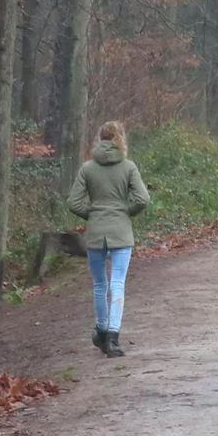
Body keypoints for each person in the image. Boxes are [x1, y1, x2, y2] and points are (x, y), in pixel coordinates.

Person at [68, 120, 151, 358]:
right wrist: (126, 211)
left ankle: (102, 332)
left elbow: (73, 202)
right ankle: (114, 338)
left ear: (100, 138)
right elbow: (143, 198)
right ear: (120, 139)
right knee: (118, 285)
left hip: (95, 233)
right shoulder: (128, 167)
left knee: (99, 285)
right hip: (121, 233)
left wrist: (92, 213)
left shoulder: (87, 168)